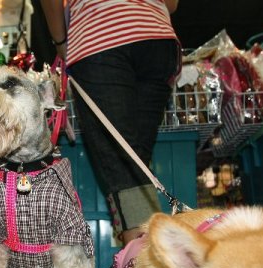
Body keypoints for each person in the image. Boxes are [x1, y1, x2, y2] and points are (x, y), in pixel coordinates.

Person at [40, 0, 181, 246]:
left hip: (100, 39)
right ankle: (137, 258)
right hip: (158, 38)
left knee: (124, 168)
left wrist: (61, 42)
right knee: (135, 163)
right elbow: (171, 4)